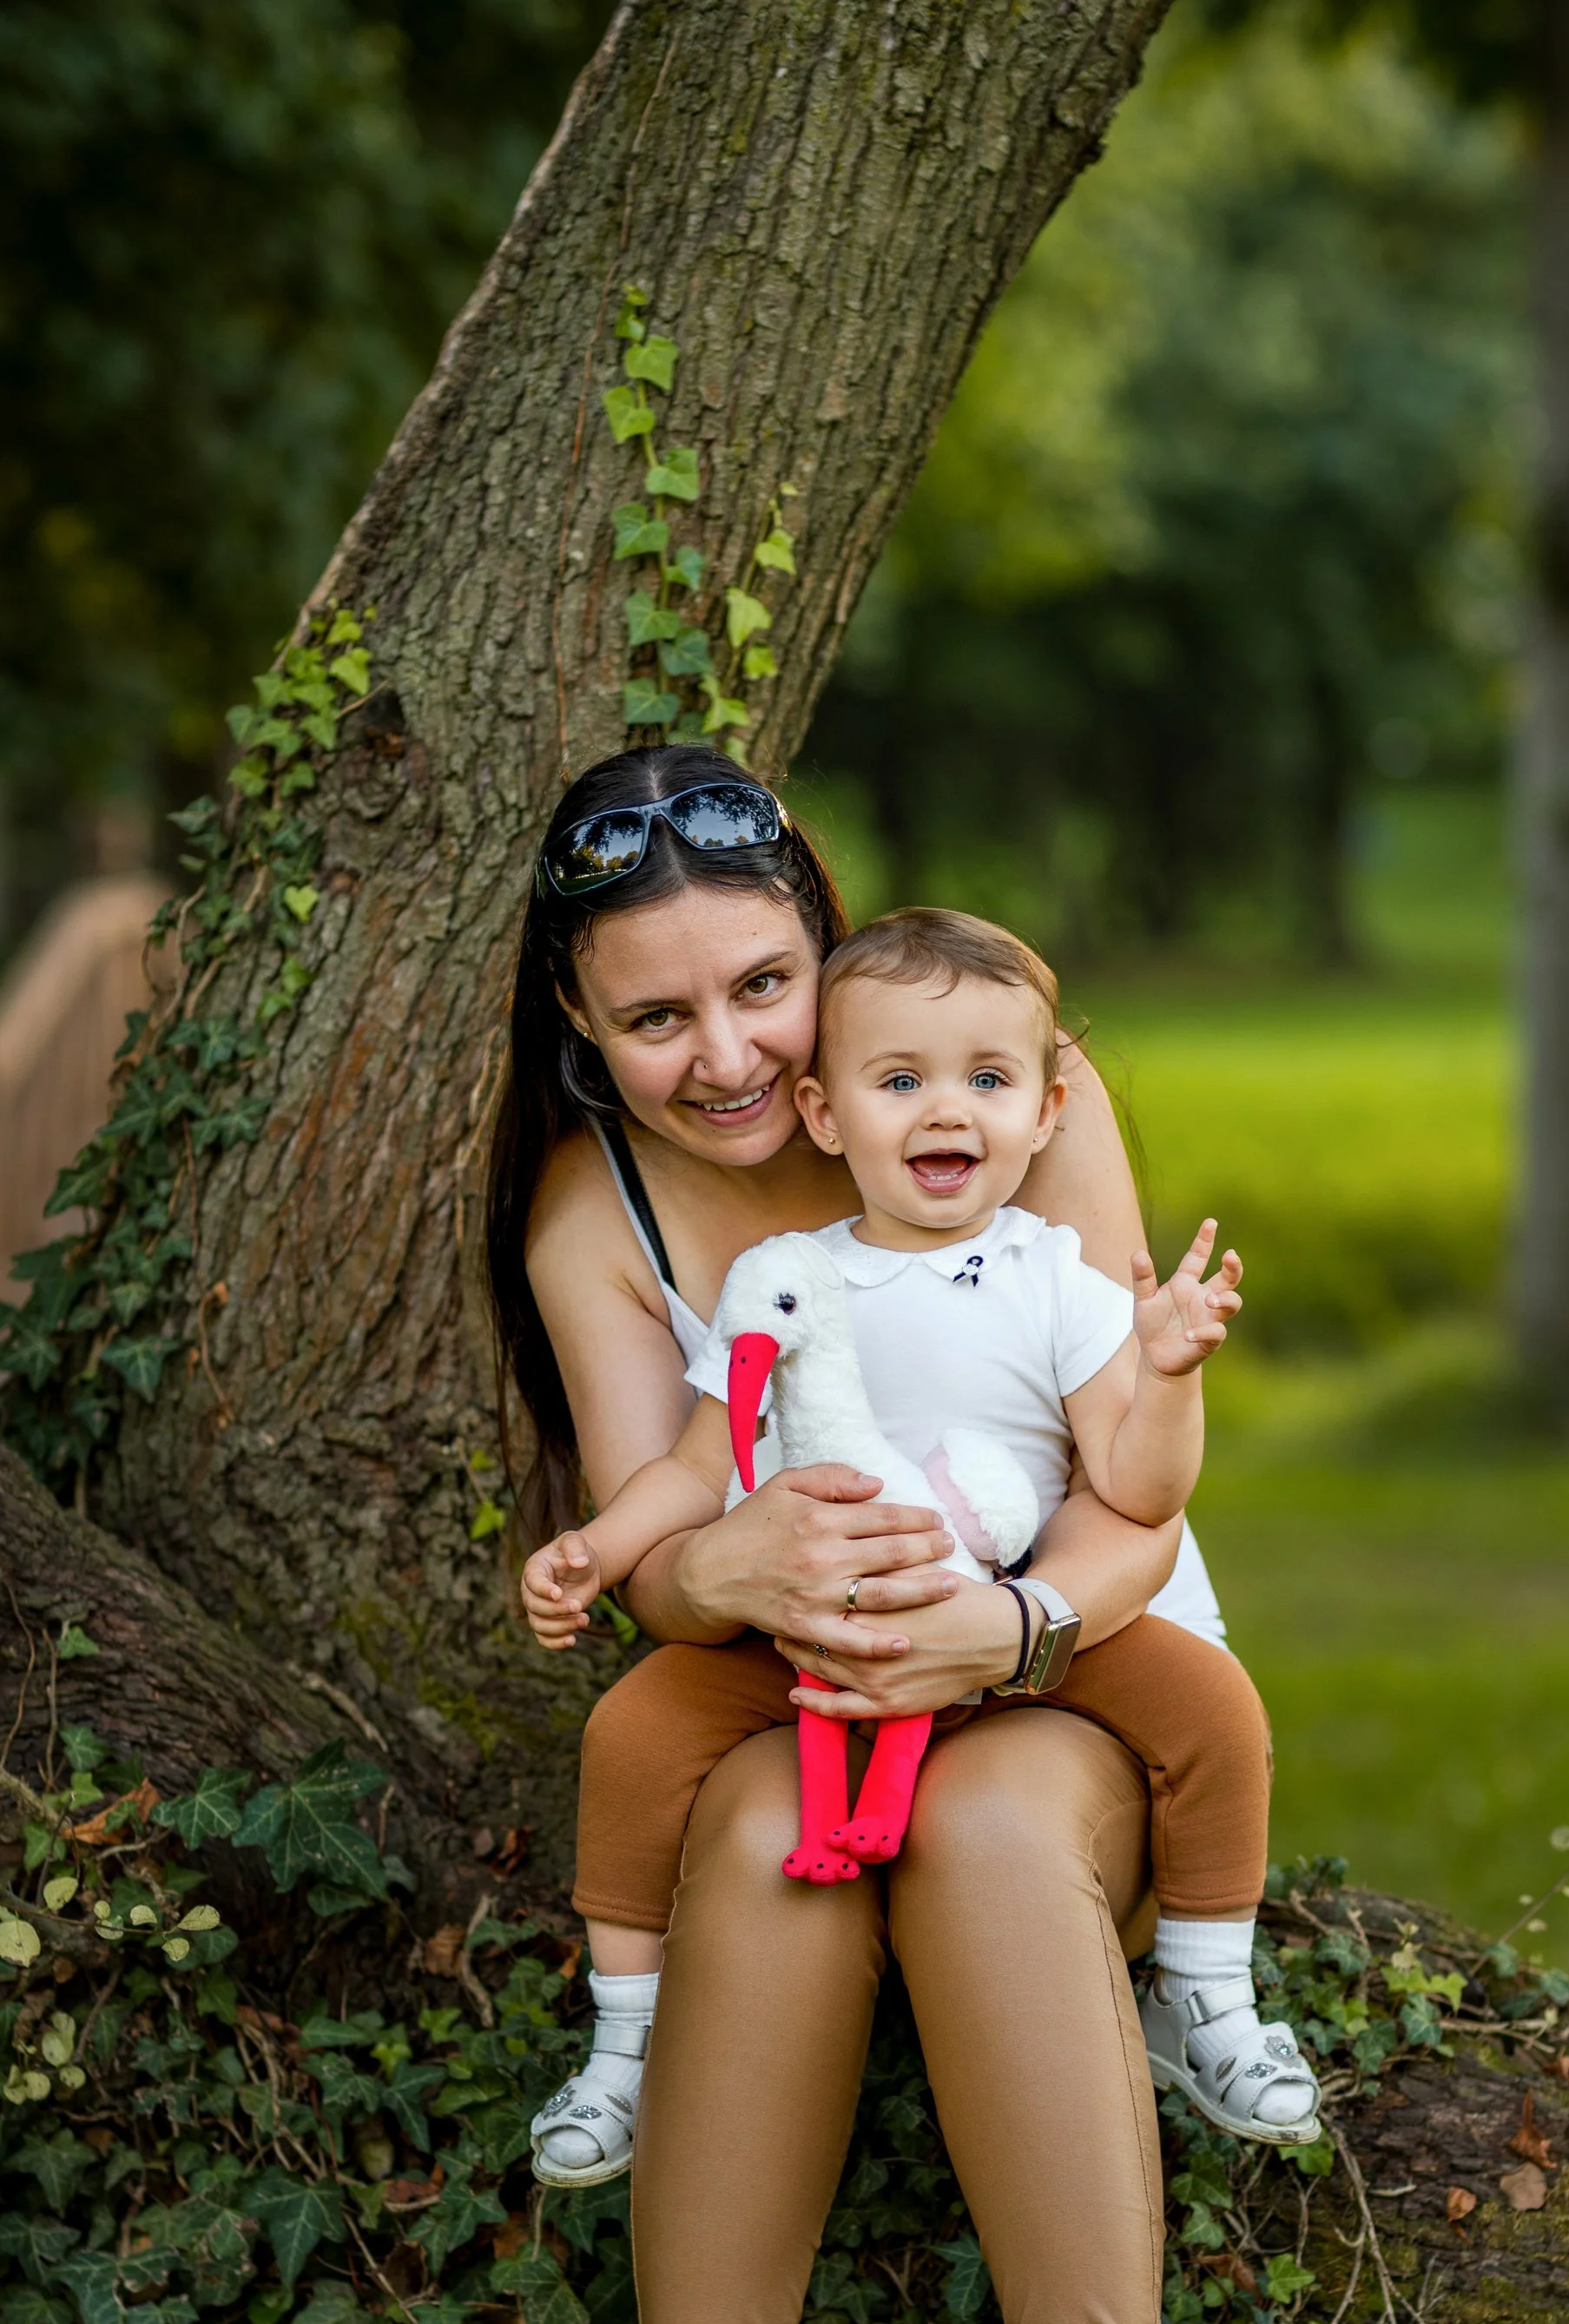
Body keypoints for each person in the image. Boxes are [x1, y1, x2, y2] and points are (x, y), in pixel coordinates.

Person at [485, 746, 1279, 2324]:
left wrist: (999, 1631)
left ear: (824, 950)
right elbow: (657, 1556)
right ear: (575, 1025)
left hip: (1059, 1656)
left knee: (996, 1837)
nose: (730, 1056)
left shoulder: (1009, 1089)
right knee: (755, 1850)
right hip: (795, 1681)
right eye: (655, 1017)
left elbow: (1127, 1486)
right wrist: (724, 1558)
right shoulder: (598, 1213)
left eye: (763, 984)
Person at [518, 905, 1320, 2188]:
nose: (948, 1111)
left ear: (1049, 1110)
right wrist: (598, 1549)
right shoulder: (786, 1275)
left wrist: (1169, 1376)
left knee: (1213, 1705)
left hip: (1016, 1625)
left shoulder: (1054, 1276)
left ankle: (1209, 1998)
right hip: (816, 1632)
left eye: (988, 1082)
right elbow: (695, 1460)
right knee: (630, 1736)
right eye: (902, 1082)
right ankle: (628, 2040)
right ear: (827, 1115)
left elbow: (1136, 1487)